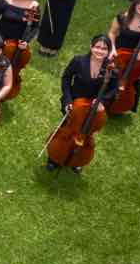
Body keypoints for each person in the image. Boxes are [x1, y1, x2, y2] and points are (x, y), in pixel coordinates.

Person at [48, 35, 119, 173]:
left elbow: (113, 89)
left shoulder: (111, 69)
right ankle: (54, 158)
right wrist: (68, 101)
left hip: (95, 108)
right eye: (97, 47)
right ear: (91, 47)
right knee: (66, 127)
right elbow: (66, 79)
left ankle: (78, 160)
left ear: (108, 51)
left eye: (104, 48)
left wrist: (102, 101)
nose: (100, 51)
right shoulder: (78, 61)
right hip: (74, 103)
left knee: (87, 132)